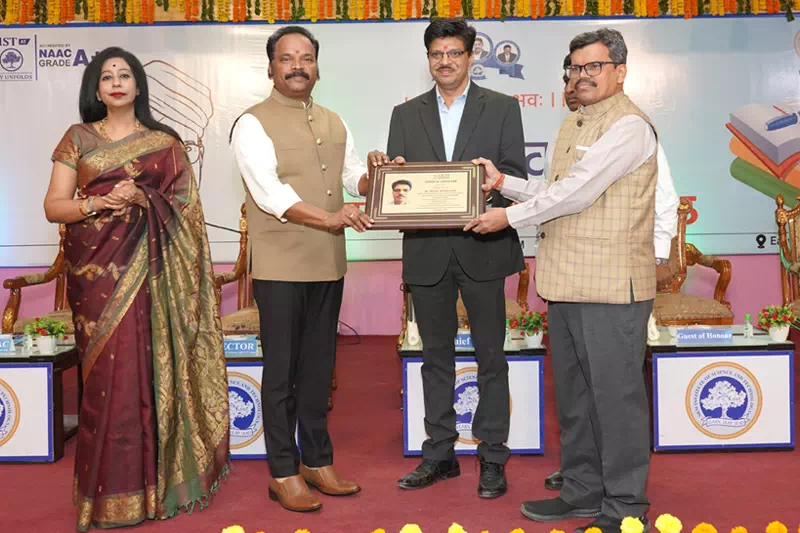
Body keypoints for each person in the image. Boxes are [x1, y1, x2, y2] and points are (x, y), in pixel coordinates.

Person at [465, 29, 658, 531]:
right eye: (575, 68)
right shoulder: (575, 121)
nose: (581, 76)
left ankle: (625, 507)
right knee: (574, 401)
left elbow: (578, 193)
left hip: (611, 288)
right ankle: (581, 492)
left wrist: (507, 217)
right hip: (567, 282)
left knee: (615, 402)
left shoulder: (629, 127)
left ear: (620, 71)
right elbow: (556, 188)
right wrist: (502, 182)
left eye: (593, 67)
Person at [43, 47, 230, 532]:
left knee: (143, 376)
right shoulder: (78, 138)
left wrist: (144, 196)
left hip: (149, 277)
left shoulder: (164, 144)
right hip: (95, 280)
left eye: (125, 74)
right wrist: (100, 203)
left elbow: (186, 211)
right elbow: (54, 206)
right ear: (96, 88)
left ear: (138, 86)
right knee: (104, 383)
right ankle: (105, 497)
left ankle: (150, 490)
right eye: (107, 76)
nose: (116, 82)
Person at [368, 18, 526, 500]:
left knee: (491, 357)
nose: (445, 61)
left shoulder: (502, 107)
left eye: (454, 52)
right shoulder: (405, 113)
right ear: (428, 59)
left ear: (471, 56)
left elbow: (514, 175)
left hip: (484, 248)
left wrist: (486, 193)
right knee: (433, 358)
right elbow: (399, 181)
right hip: (427, 251)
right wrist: (390, 175)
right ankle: (439, 453)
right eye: (437, 53)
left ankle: (492, 455)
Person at [230, 26, 371, 513]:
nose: (297, 66)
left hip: (327, 264)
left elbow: (352, 174)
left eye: (306, 58)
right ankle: (283, 472)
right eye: (287, 58)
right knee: (282, 374)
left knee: (318, 370)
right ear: (271, 68)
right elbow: (269, 194)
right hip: (281, 267)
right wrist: (330, 218)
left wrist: (380, 176)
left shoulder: (334, 120)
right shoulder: (252, 123)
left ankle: (317, 461)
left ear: (317, 66)